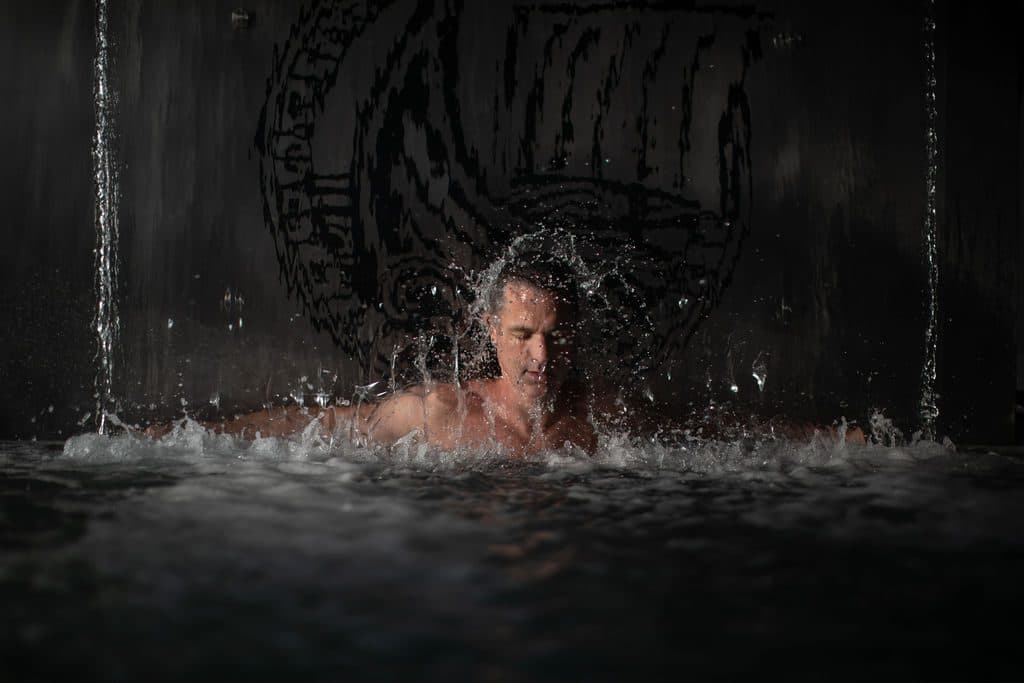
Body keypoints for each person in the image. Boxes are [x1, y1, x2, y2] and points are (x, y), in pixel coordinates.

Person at [147, 251, 865, 452]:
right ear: (493, 333)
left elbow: (709, 431)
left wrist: (823, 439)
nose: (540, 353)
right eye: (523, 335)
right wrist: (201, 435)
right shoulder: (440, 412)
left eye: (552, 334)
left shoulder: (598, 420)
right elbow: (328, 425)